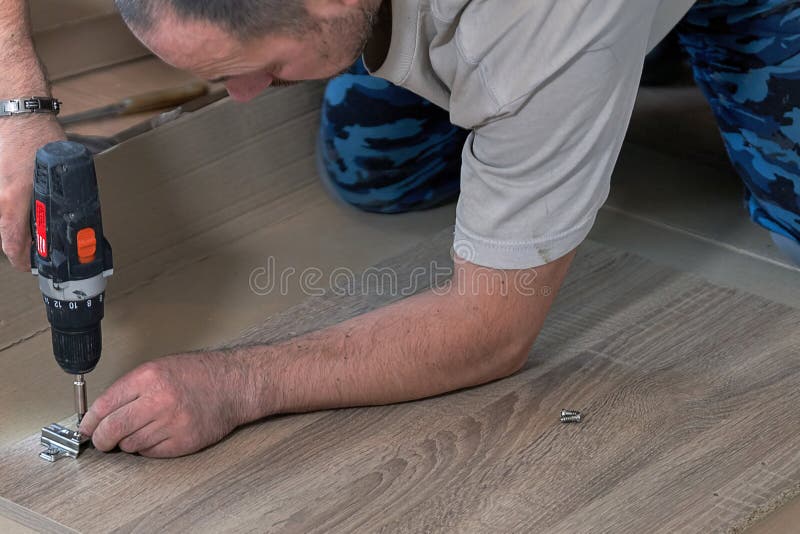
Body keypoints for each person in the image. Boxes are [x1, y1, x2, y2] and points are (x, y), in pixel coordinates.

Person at [0, 0, 797, 458]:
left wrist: (235, 384)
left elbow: (491, 330)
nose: (244, 95)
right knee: (374, 177)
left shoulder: (538, 27)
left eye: (258, 64)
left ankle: (671, 38)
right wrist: (19, 106)